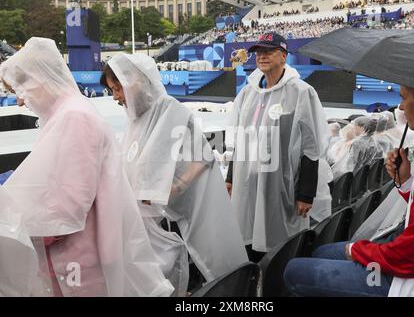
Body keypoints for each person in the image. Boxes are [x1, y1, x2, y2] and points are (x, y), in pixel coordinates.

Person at [0, 37, 174, 297]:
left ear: (39, 79)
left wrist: (16, 212)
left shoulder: (74, 117)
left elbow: (69, 205)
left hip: (79, 261)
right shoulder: (64, 115)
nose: (21, 102)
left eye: (20, 91)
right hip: (72, 258)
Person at [100, 53, 248, 295]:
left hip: (183, 214)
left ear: (135, 82)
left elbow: (202, 157)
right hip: (157, 220)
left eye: (118, 89)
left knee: (212, 278)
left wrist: (171, 189)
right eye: (112, 91)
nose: (116, 97)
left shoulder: (170, 110)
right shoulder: (135, 121)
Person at [284, 85, 414, 296]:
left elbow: (413, 257)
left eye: (404, 98)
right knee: (323, 252)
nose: (400, 106)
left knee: (293, 271)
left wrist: (358, 251)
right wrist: (406, 182)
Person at [225, 33, 332, 257]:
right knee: (248, 238)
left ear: (283, 56)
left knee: (279, 244)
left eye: (268, 51)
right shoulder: (248, 93)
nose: (262, 56)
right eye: (258, 52)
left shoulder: (301, 92)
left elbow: (311, 147)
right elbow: (238, 139)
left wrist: (306, 194)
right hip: (249, 184)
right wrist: (231, 177)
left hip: (282, 185)